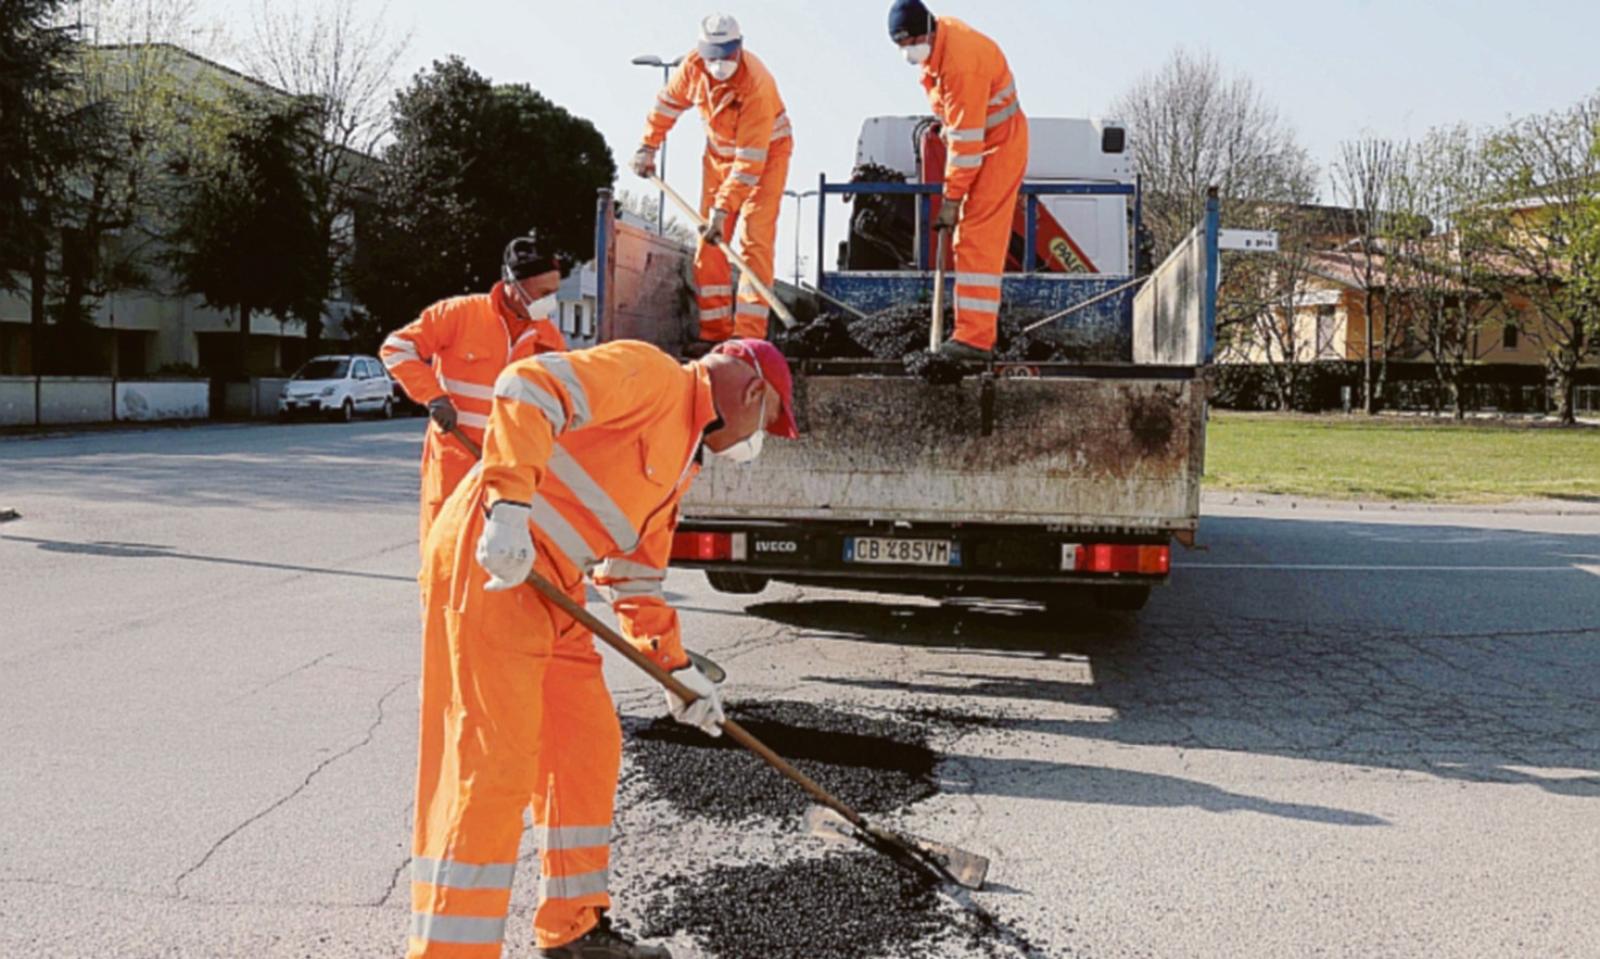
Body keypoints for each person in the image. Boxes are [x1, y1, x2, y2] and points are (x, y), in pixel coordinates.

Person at [407, 338, 799, 959]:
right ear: (752, 393)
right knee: (494, 769)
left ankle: (574, 932)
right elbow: (526, 386)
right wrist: (508, 508)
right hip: (494, 565)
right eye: (770, 421)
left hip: (553, 587)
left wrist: (677, 671)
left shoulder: (680, 463)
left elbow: (634, 578)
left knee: (585, 743)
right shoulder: (652, 376)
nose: (759, 441)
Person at [381, 238, 569, 545]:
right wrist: (434, 397)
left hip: (511, 465)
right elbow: (397, 349)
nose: (550, 302)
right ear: (513, 284)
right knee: (446, 547)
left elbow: (559, 399)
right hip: (457, 456)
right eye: (543, 293)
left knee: (500, 553)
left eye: (554, 293)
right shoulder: (459, 314)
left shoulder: (547, 338)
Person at [631, 13, 793, 352]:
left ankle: (747, 335)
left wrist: (723, 209)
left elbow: (749, 165)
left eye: (727, 55)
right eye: (712, 56)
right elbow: (666, 106)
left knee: (754, 242)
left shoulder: (756, 85)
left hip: (765, 161)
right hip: (718, 160)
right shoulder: (692, 68)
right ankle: (715, 332)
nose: (719, 64)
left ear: (740, 48)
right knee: (709, 244)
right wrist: (648, 146)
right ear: (702, 51)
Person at [888, 0, 1029, 362]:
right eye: (901, 46)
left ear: (928, 30)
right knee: (968, 239)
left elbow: (967, 147)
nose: (908, 52)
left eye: (911, 43)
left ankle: (975, 340)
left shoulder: (961, 65)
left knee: (976, 238)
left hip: (998, 146)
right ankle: (971, 331)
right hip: (983, 141)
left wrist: (951, 201)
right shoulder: (940, 46)